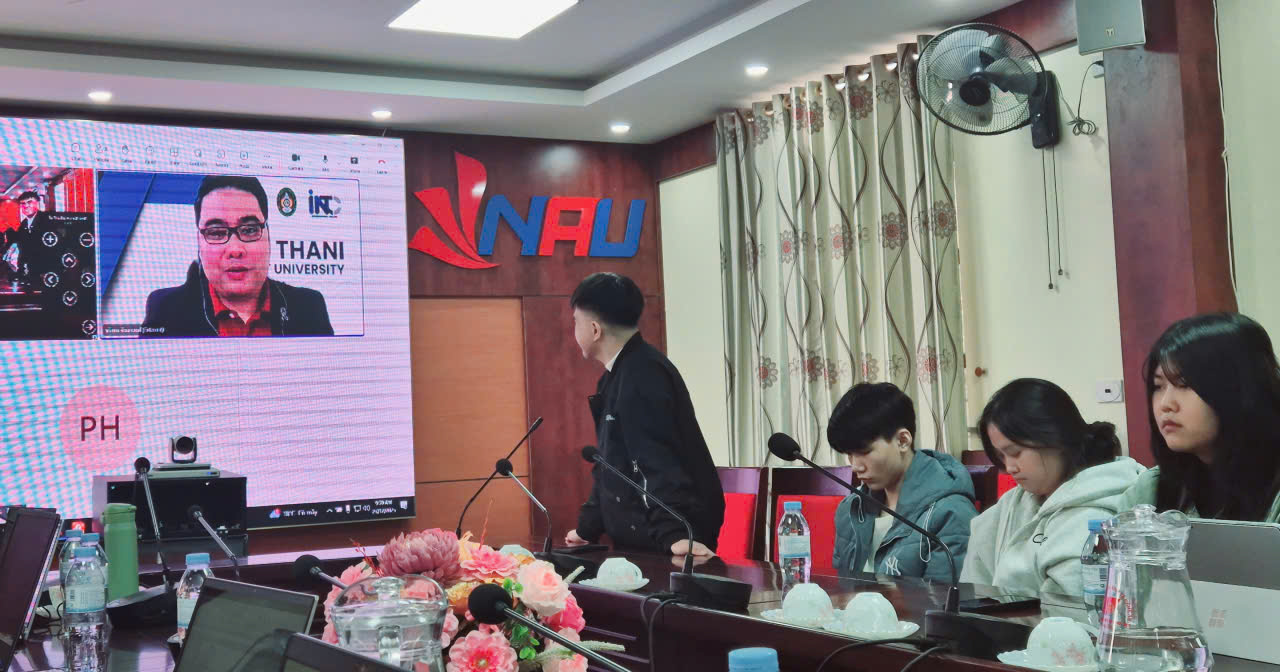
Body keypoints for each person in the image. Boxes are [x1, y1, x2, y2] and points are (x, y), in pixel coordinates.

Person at [564, 272, 725, 556]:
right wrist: (587, 528)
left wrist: (675, 532)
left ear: (595, 329)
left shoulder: (644, 374)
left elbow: (657, 459)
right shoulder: (614, 377)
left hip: (668, 541)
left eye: (576, 322)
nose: (574, 331)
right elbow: (611, 464)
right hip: (641, 539)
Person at [960, 378, 1144, 596]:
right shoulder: (1012, 503)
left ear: (1056, 438)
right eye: (1001, 456)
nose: (1009, 467)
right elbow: (974, 592)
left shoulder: (1100, 507)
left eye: (1016, 453)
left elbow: (1069, 608)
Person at [1119, 312, 1280, 521]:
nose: (1165, 404)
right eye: (1158, 386)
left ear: (1241, 389)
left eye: (1184, 384)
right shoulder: (1152, 489)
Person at [142, 175, 333, 337]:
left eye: (249, 230)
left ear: (268, 236)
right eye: (216, 232)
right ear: (199, 242)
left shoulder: (308, 308)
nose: (235, 249)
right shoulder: (166, 310)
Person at [829, 383, 978, 580]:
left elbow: (942, 597)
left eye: (864, 452)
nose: (855, 467)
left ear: (902, 441)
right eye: (849, 454)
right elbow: (842, 587)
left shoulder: (951, 513)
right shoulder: (851, 508)